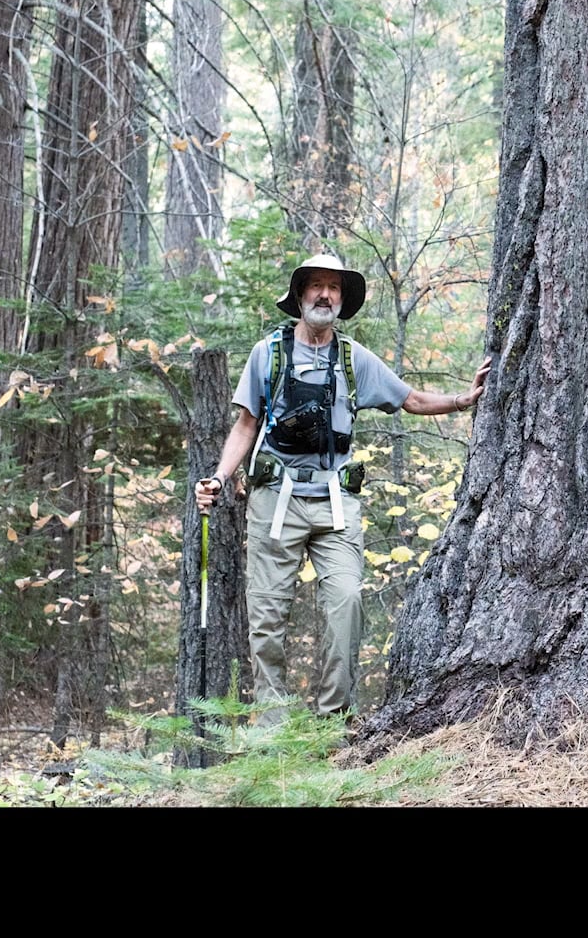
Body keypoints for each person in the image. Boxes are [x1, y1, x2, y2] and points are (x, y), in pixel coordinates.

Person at [194, 253, 491, 723]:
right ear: (299, 296)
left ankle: (332, 723)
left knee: (346, 604)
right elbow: (246, 425)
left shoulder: (353, 359)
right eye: (316, 285)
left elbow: (410, 398)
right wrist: (220, 475)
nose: (325, 294)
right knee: (267, 622)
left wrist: (463, 399)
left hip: (336, 503)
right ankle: (275, 732)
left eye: (334, 287)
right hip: (276, 500)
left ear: (342, 300)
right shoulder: (268, 354)